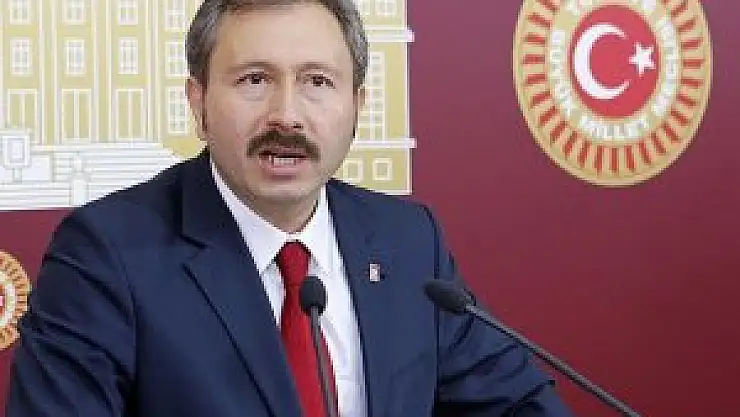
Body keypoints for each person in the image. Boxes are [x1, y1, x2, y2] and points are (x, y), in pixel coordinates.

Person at [6, 1, 574, 416]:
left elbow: (516, 404)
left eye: (317, 82)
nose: (287, 115)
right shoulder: (107, 256)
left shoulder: (407, 241)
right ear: (198, 103)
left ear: (357, 106)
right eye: (254, 80)